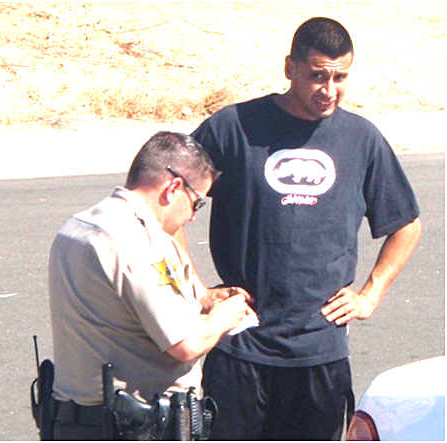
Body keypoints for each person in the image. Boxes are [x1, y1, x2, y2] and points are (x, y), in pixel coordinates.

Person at [189, 17, 422, 441]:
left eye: (340, 77)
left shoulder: (361, 139)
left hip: (320, 354)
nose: (328, 89)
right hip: (241, 346)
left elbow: (406, 224)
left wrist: (370, 294)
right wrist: (196, 290)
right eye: (317, 75)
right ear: (289, 68)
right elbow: (166, 201)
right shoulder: (233, 128)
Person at [48, 131, 253, 440]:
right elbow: (186, 344)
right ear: (173, 188)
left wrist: (204, 298)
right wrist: (222, 317)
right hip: (134, 423)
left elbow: (125, 309)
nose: (193, 218)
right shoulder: (139, 241)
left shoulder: (79, 225)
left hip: (76, 418)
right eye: (197, 203)